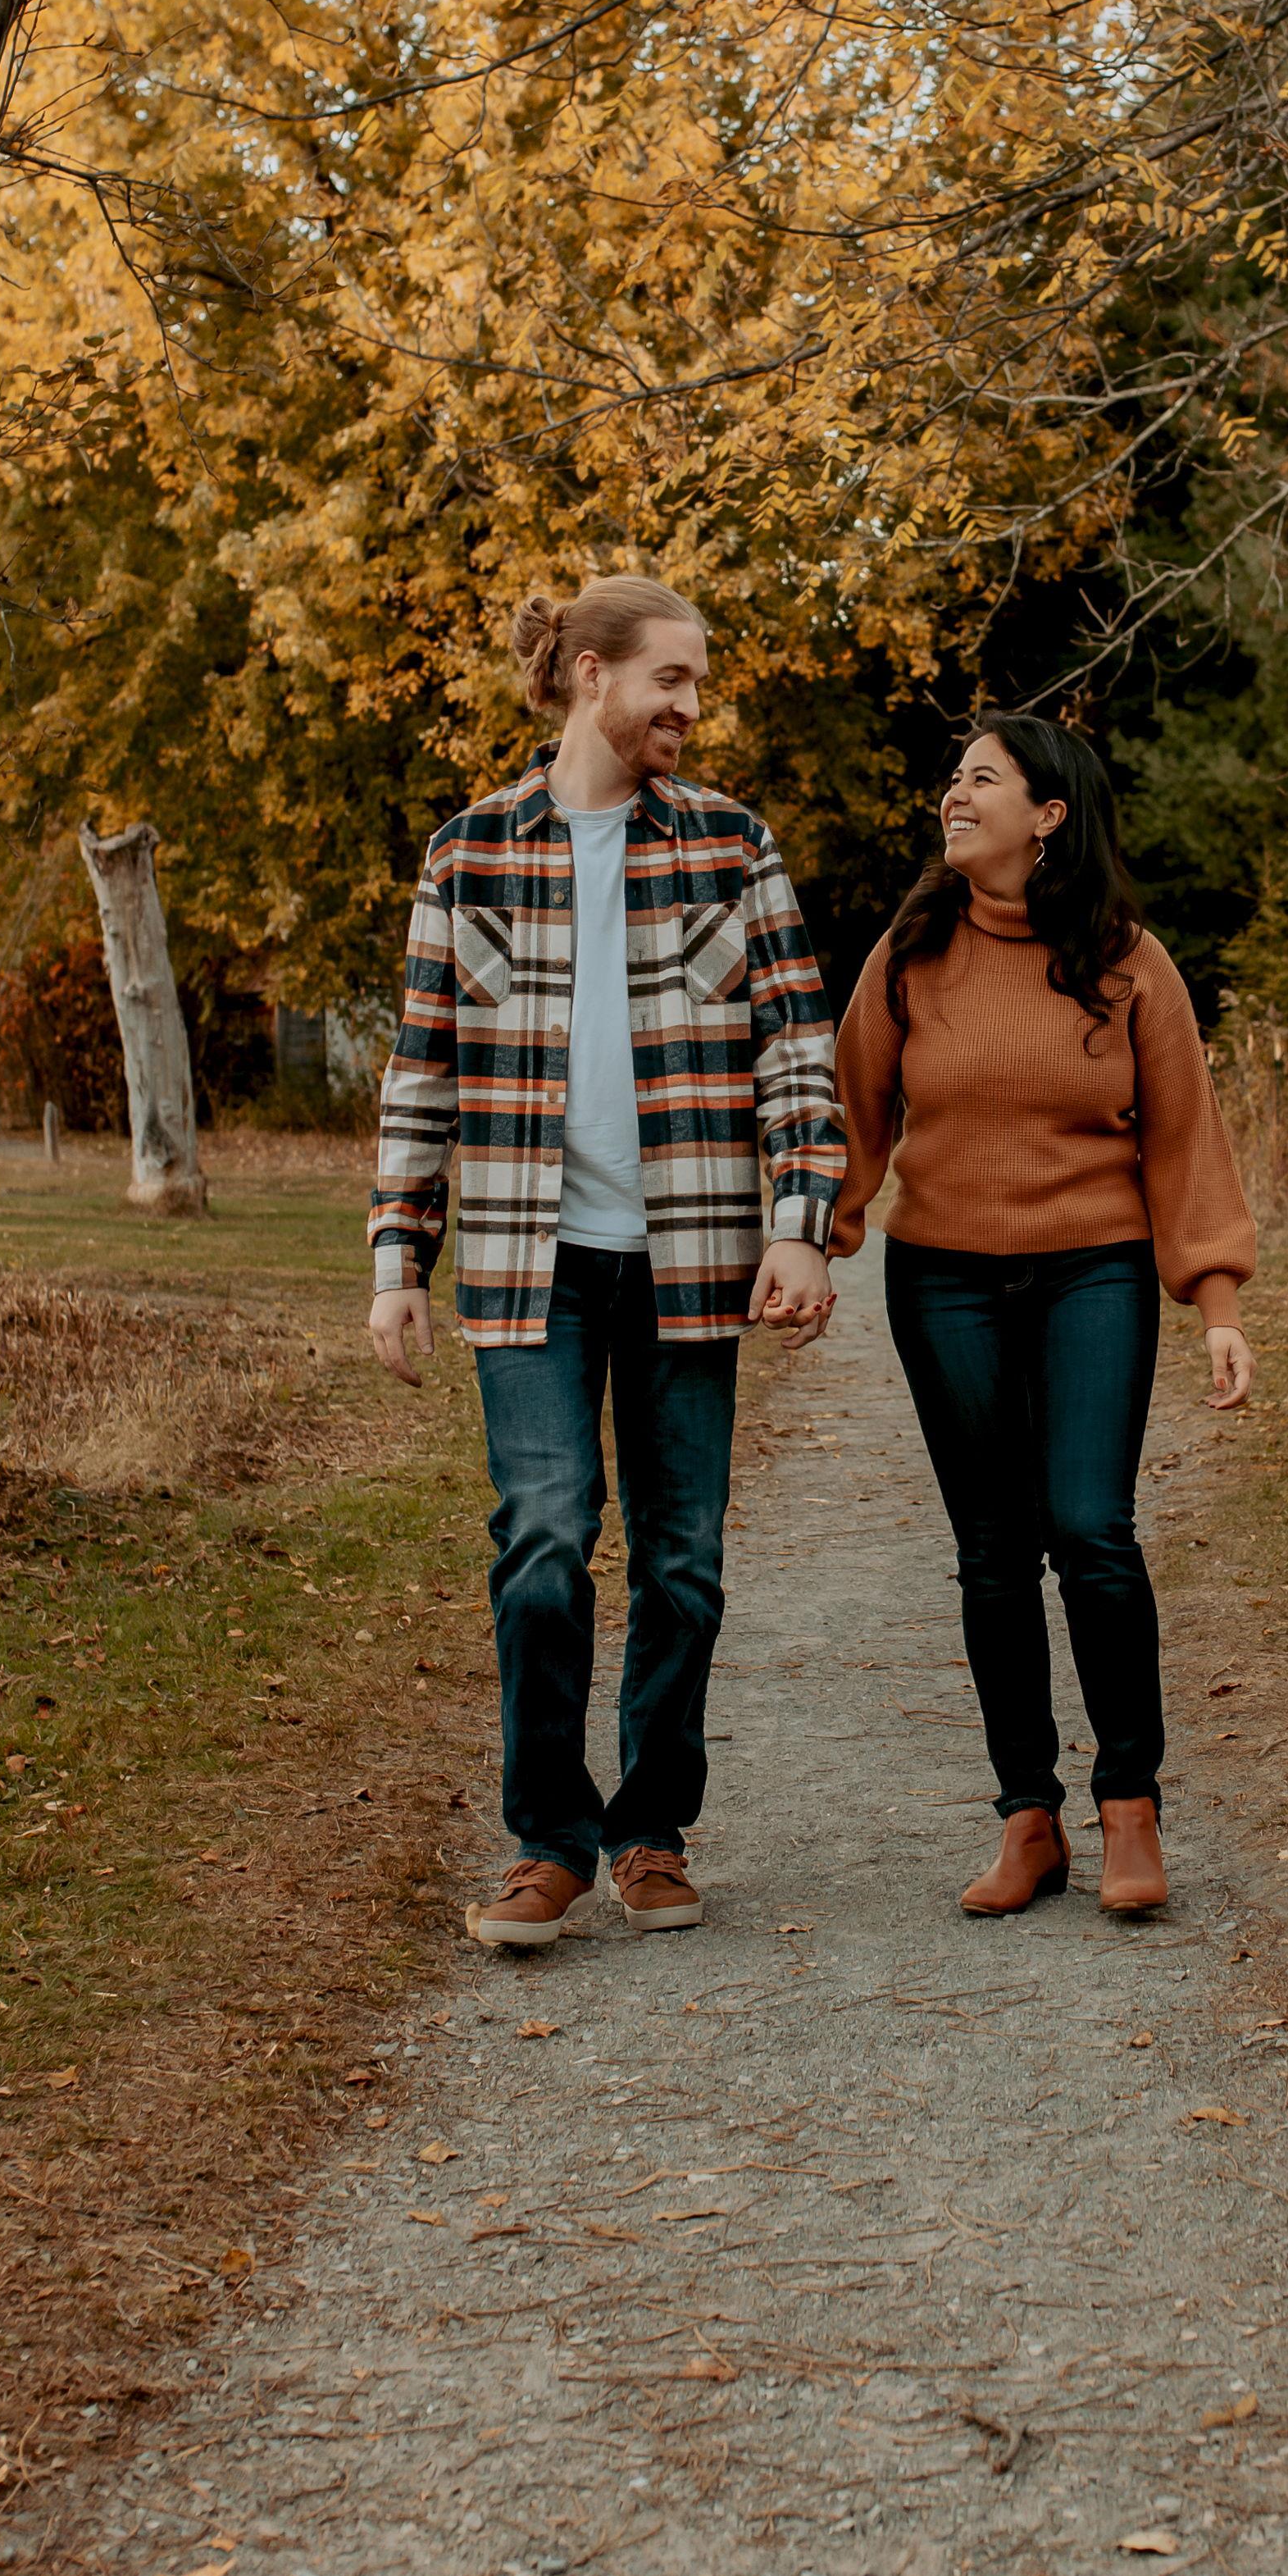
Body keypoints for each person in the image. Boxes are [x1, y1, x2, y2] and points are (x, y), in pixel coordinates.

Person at [368, 577, 844, 1953]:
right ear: (592, 674)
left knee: (682, 1557)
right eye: (670, 680)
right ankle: (547, 1842)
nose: (690, 707)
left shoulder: (731, 846)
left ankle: (650, 1831)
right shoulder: (469, 854)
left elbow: (796, 1050)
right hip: (532, 1266)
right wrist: (400, 1256)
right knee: (544, 1540)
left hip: (690, 1257)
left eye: (696, 684)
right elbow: (421, 1072)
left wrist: (802, 1222)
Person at [825, 714, 1257, 1922]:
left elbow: (1184, 1138)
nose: (953, 796)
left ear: (1048, 815)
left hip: (1094, 1270)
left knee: (1091, 1528)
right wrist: (821, 1238)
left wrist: (1216, 1300)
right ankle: (1029, 1818)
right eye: (954, 778)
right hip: (944, 1277)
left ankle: (1130, 1807)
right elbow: (857, 1113)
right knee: (993, 1547)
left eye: (982, 778)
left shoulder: (1128, 961)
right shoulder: (911, 952)